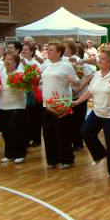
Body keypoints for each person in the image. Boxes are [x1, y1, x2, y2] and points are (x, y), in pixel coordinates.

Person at [75, 50, 110, 177]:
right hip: (98, 111)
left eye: (103, 58)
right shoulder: (97, 74)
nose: (99, 60)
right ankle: (99, 154)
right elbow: (90, 91)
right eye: (100, 58)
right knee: (85, 131)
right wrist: (77, 101)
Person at [40, 41, 79, 169]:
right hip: (47, 105)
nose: (48, 52)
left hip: (61, 104)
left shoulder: (66, 66)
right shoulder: (46, 65)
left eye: (51, 50)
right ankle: (52, 160)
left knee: (62, 133)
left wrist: (72, 81)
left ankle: (67, 159)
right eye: (48, 49)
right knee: (48, 133)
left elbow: (77, 83)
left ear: (58, 52)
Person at [0, 51, 27, 163]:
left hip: (17, 105)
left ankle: (20, 153)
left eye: (10, 59)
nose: (7, 61)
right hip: (2, 105)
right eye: (5, 59)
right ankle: (9, 154)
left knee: (15, 130)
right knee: (5, 131)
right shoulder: (1, 72)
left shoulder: (20, 73)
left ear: (16, 62)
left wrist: (18, 86)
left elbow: (25, 89)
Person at [21, 43, 43, 147]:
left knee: (34, 118)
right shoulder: (20, 63)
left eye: (26, 50)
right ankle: (28, 137)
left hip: (33, 93)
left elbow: (37, 80)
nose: (23, 51)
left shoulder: (35, 63)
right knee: (27, 118)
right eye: (23, 49)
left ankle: (36, 139)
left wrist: (26, 67)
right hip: (24, 93)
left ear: (31, 52)